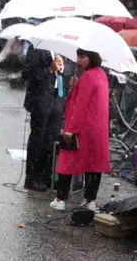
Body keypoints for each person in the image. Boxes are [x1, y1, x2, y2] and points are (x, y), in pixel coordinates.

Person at [50, 49, 110, 211]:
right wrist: (76, 87)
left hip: (82, 128)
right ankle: (90, 200)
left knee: (66, 162)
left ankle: (60, 199)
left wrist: (71, 129)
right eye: (78, 56)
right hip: (97, 129)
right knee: (93, 164)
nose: (78, 60)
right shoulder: (101, 74)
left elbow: (79, 105)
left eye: (82, 57)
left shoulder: (87, 77)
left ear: (91, 58)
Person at [22, 48, 66, 192]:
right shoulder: (37, 49)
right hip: (40, 100)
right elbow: (27, 74)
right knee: (38, 138)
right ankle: (31, 177)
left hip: (56, 99)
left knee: (51, 139)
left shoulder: (62, 50)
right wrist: (48, 70)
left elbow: (65, 71)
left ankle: (44, 176)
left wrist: (61, 68)